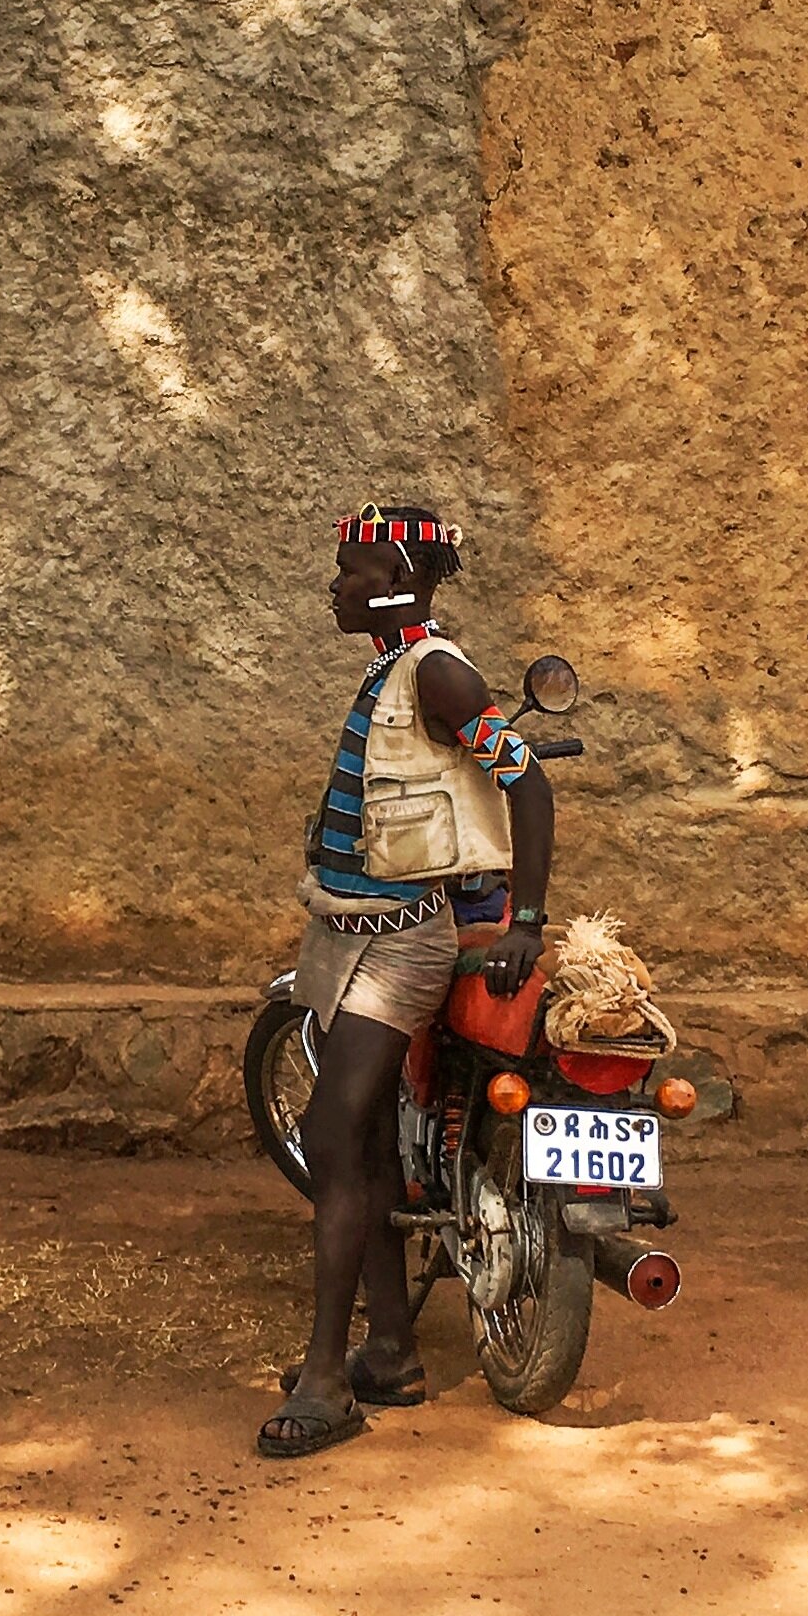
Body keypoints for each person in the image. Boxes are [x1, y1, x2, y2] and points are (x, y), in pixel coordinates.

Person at [258, 502, 555, 1458]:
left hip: (399, 943)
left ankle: (325, 1378)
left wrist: (531, 919)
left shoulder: (438, 673)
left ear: (394, 574)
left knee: (331, 1131)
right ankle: (389, 1349)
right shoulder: (394, 668)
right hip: (346, 931)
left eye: (348, 570)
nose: (334, 586)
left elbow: (528, 784)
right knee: (372, 1135)